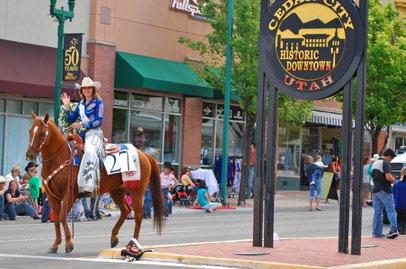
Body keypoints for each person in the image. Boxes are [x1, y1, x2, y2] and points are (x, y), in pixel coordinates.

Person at [61, 76, 104, 197]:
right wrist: (67, 107)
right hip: (81, 134)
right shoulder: (80, 104)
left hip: (93, 133)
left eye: (89, 88)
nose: (86, 90)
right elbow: (70, 119)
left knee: (90, 151)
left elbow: (98, 121)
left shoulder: (98, 102)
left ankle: (88, 185)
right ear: (82, 90)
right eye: (84, 88)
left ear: (93, 89)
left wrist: (81, 124)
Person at [371, 148, 398, 239]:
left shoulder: (375, 163)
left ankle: (376, 233)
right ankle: (393, 231)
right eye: (392, 159)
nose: (391, 161)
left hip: (375, 190)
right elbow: (388, 177)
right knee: (391, 210)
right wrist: (394, 180)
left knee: (377, 213)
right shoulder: (385, 163)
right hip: (385, 190)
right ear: (389, 156)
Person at [393, 167, 406, 234]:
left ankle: (400, 228)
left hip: (398, 205)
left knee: (399, 218)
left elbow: (394, 195)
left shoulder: (396, 184)